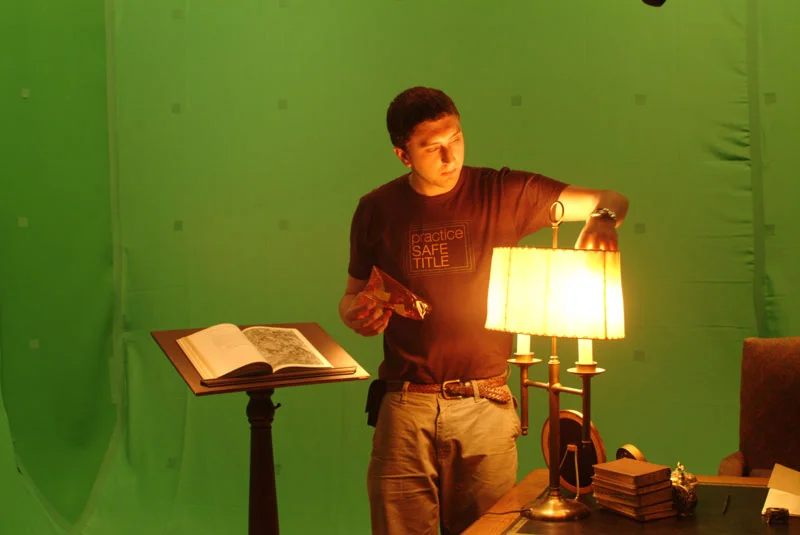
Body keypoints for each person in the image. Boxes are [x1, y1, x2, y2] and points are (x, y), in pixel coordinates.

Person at [339, 87, 628, 535]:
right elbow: (352, 296)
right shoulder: (376, 209)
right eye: (431, 148)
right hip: (405, 405)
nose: (449, 155)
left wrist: (603, 220)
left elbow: (610, 198)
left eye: (455, 138)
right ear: (403, 155)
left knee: (488, 530)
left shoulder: (503, 191)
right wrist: (356, 314)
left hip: (484, 404)